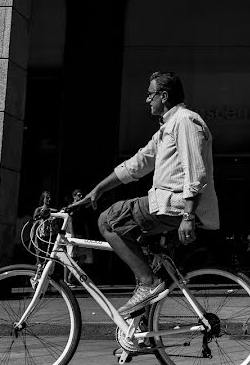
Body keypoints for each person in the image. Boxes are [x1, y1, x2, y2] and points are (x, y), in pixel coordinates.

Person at [74, 71, 220, 316]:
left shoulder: (184, 121)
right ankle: (141, 326)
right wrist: (98, 189)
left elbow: (196, 173)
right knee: (148, 260)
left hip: (173, 206)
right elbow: (138, 164)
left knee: (108, 220)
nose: (146, 100)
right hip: (170, 206)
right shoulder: (166, 128)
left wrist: (188, 216)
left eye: (150, 94)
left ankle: (148, 284)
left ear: (164, 96)